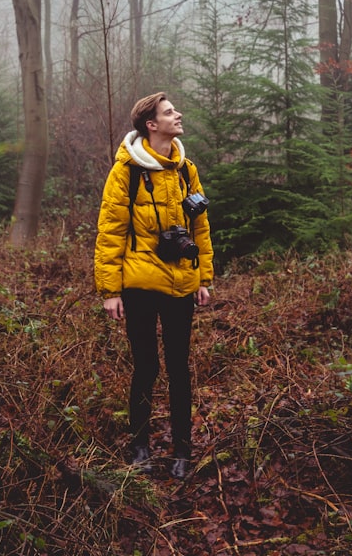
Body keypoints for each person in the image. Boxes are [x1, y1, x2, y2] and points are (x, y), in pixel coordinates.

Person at [94, 92, 214, 479]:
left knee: (180, 368)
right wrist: (110, 290)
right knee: (145, 366)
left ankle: (183, 449)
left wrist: (203, 276)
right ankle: (139, 446)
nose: (177, 115)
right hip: (140, 284)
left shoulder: (185, 168)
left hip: (182, 284)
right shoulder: (126, 171)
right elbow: (110, 232)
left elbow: (200, 226)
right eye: (168, 112)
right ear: (151, 124)